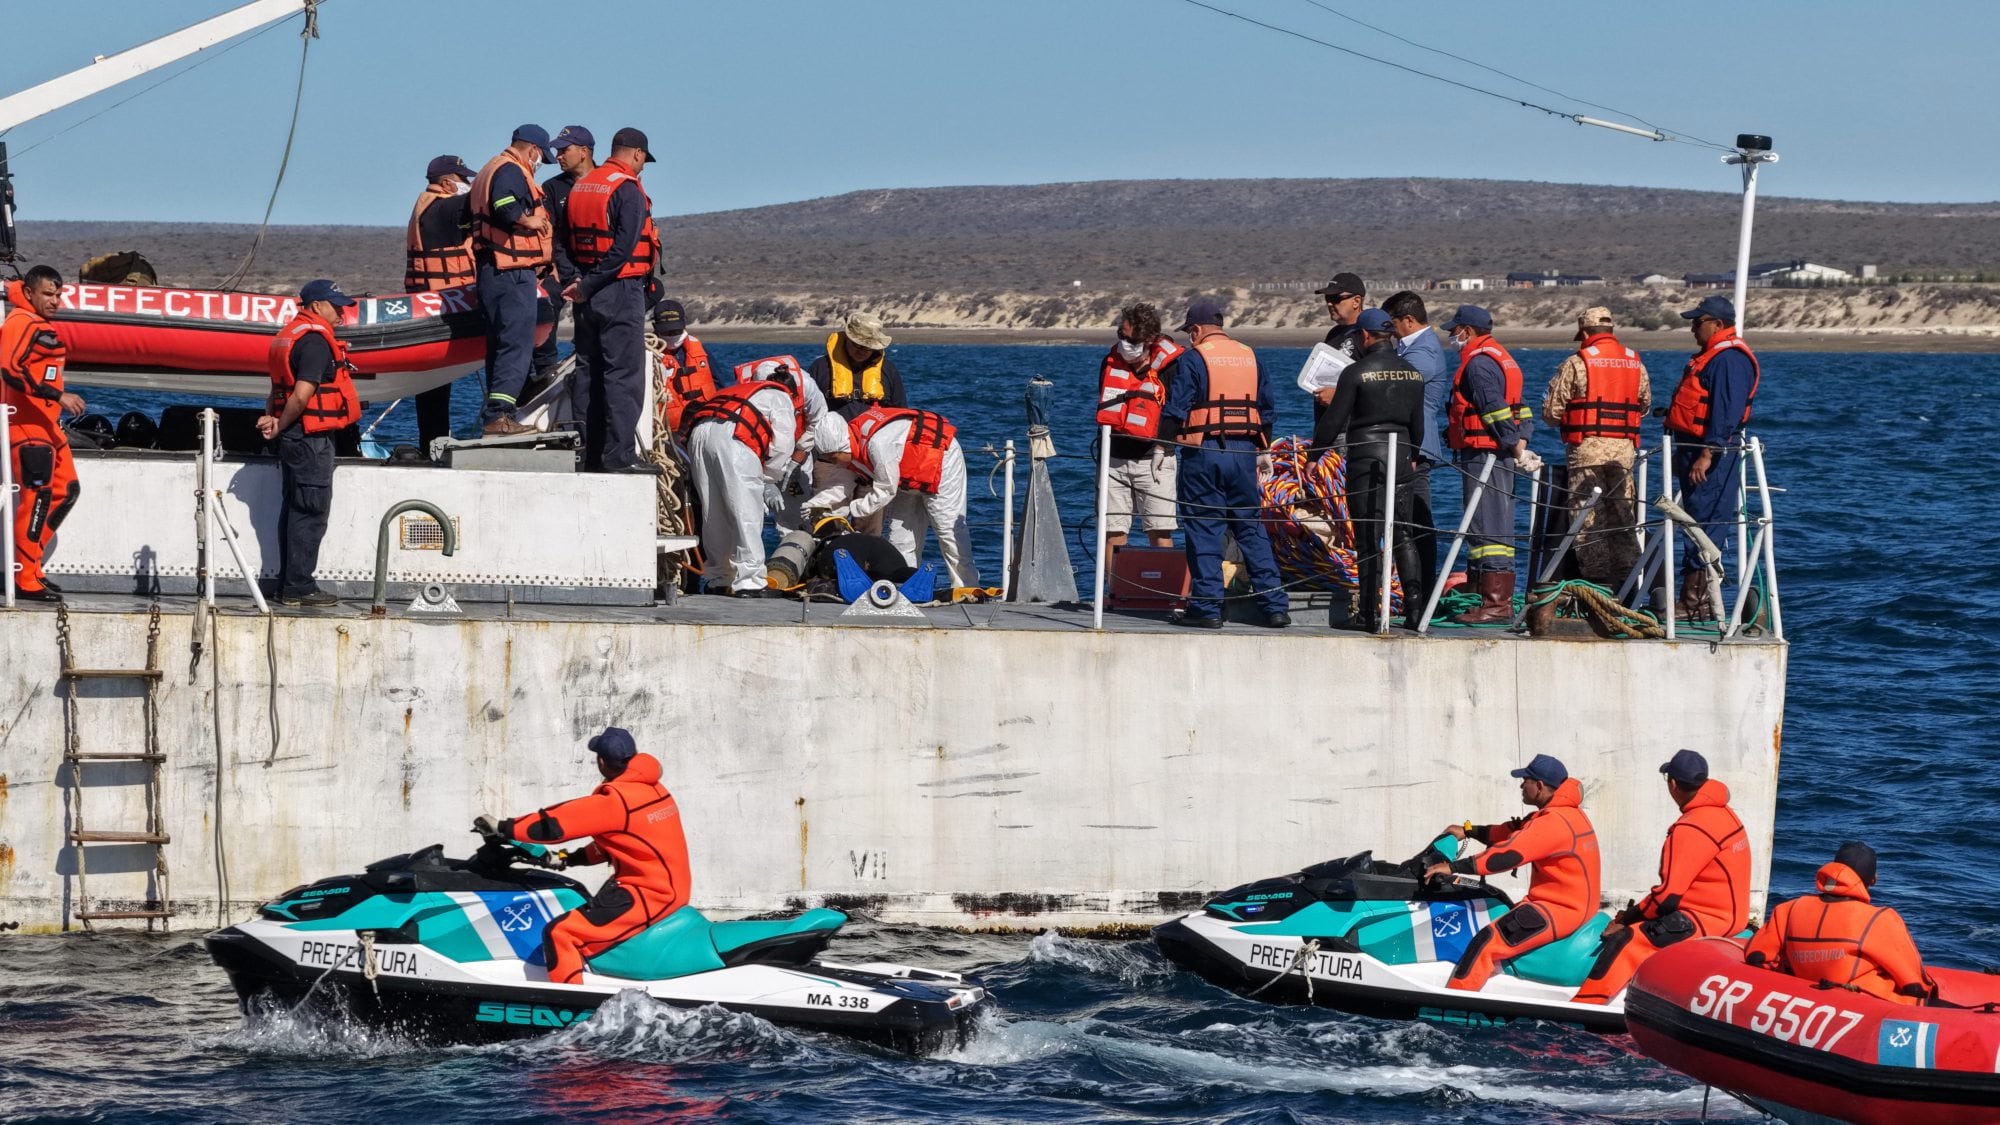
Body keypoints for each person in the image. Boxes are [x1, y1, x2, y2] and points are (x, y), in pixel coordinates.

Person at [487, 727, 690, 986]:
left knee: (561, 933)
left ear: (602, 762)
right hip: (669, 889)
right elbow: (621, 844)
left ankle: (570, 1013)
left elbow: (555, 824)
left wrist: (502, 828)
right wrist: (570, 859)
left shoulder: (617, 799)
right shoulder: (653, 788)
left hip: (650, 895)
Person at [1572, 749, 1750, 1005]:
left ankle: (1587, 1006)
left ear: (1673, 783)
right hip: (1734, 919)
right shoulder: (1726, 815)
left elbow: (1667, 897)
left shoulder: (1690, 827)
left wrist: (1626, 919)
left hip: (1705, 920)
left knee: (1628, 940)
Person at [1160, 296, 1289, 629]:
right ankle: (1275, 607)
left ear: (1199, 329)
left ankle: (1206, 609)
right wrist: (1263, 451)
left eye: (1191, 330)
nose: (1191, 336)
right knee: (1250, 529)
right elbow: (1267, 409)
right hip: (1245, 452)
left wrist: (1162, 448)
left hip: (1204, 454)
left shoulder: (1194, 359)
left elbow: (1175, 409)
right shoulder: (1250, 356)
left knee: (1204, 529)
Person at [1425, 753, 1601, 992]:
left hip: (1559, 909)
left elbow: (1505, 855)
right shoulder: (1561, 812)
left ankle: (1453, 1003)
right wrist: (1467, 830)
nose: (1521, 785)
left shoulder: (1553, 822)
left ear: (1539, 786)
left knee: (1486, 942)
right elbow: (1510, 832)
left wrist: (1453, 867)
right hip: (1571, 905)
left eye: (1525, 780)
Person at [1311, 308, 1426, 629]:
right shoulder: (1413, 373)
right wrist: (1413, 454)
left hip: (1366, 459)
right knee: (1403, 534)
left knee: (1367, 537)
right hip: (1402, 457)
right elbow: (1418, 427)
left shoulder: (1356, 372)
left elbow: (1333, 420)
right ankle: (1414, 611)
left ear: (1364, 336)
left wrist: (1312, 456)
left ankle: (1368, 614)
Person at [562, 127, 663, 472]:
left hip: (584, 294)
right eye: (643, 161)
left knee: (588, 371)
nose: (643, 168)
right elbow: (623, 249)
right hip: (618, 290)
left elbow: (561, 241)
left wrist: (575, 280)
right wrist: (590, 284)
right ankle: (620, 457)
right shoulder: (627, 189)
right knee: (624, 375)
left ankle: (588, 456)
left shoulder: (581, 187)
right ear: (636, 154)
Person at [257, 279, 362, 606]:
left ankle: (287, 582)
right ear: (317, 306)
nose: (342, 314)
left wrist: (275, 421)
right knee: (310, 511)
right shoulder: (315, 342)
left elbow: (277, 390)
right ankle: (299, 586)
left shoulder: (289, 335)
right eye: (337, 306)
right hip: (310, 439)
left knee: (293, 508)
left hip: (294, 437)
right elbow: (301, 396)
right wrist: (281, 425)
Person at [812, 403, 980, 592]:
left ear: (841, 448)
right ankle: (907, 588)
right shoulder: (852, 444)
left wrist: (853, 509)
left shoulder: (878, 445)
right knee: (900, 539)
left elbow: (885, 491)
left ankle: (967, 587)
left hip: (942, 463)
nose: (835, 463)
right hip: (907, 479)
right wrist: (816, 505)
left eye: (834, 458)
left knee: (949, 531)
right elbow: (840, 483)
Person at [1744, 841, 1933, 1006]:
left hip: (1802, 998)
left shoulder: (1788, 909)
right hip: (1862, 1006)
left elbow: (1756, 957)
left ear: (1832, 872)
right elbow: (1916, 986)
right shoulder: (1880, 920)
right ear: (1873, 880)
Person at [1666, 295, 1760, 620]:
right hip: (1692, 452)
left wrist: (1708, 453)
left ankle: (1695, 602)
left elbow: (1726, 412)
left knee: (1706, 522)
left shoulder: (1729, 360)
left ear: (1718, 324)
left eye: (1698, 322)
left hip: (1711, 460)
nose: (1693, 328)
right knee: (1694, 520)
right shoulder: (1712, 358)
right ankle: (1695, 600)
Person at [1541, 307, 1650, 587]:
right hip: (1624, 453)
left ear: (1586, 333)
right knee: (1623, 517)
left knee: (1588, 518)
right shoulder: (1635, 362)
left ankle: (1597, 582)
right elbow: (1644, 405)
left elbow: (1551, 413)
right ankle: (1629, 582)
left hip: (1587, 451)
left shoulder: (1577, 363)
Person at [1441, 305, 1536, 624]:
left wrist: (1512, 444)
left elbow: (1494, 409)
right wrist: (1521, 441)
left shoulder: (1479, 364)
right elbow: (1521, 408)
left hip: (1486, 455)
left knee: (1488, 525)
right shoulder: (1503, 357)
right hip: (1498, 452)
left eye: (1454, 330)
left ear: (1467, 331)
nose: (1452, 336)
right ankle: (1482, 592)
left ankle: (1496, 603)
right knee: (1488, 523)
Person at [1, 266, 85, 602]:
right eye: (48, 294)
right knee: (36, 498)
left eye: (58, 294)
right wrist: (58, 396)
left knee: (68, 491)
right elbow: (9, 369)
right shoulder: (20, 321)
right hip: (25, 426)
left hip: (47, 425)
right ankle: (25, 578)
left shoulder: (39, 324)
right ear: (31, 292)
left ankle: (31, 565)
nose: (55, 300)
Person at [684, 372, 807, 596]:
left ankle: (719, 579)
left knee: (714, 513)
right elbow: (783, 444)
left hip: (700, 435)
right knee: (746, 513)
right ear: (791, 391)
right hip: (733, 440)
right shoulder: (781, 397)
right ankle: (750, 582)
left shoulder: (739, 391)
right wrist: (768, 478)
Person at [468, 124, 555, 436]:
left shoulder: (488, 170)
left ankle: (497, 414)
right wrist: (527, 219)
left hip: (491, 271)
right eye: (540, 159)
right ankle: (500, 415)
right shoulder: (510, 170)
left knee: (500, 347)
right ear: (533, 150)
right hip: (510, 271)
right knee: (516, 346)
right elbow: (505, 205)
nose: (538, 165)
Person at [403, 154, 477, 450]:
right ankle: (433, 443)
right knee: (436, 388)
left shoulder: (426, 208)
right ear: (447, 183)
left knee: (433, 390)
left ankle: (430, 442)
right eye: (463, 179)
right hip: (448, 309)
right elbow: (481, 202)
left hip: (430, 305)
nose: (468, 185)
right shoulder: (447, 207)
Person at [1096, 303, 1181, 551]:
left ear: (1150, 339)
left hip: (1155, 462)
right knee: (1113, 533)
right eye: (1121, 336)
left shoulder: (1170, 367)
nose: (1124, 343)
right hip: (1114, 460)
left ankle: (1161, 587)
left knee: (1159, 531)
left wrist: (1161, 448)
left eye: (1131, 339)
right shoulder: (1109, 362)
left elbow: (1175, 413)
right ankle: (1114, 590)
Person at [1382, 290, 1448, 595]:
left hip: (1416, 448)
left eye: (1391, 324)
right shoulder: (1413, 348)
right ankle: (1412, 589)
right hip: (1409, 445)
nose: (1388, 332)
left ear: (1407, 321)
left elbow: (1397, 384)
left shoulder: (1422, 352)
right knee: (1405, 519)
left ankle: (1421, 591)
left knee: (1416, 521)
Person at [535, 125, 596, 381]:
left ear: (583, 151)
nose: (558, 156)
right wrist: (557, 269)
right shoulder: (551, 187)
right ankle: (544, 372)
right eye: (557, 151)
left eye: (564, 150)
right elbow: (548, 232)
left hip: (598, 269)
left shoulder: (609, 180)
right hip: (561, 267)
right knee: (545, 301)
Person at [809, 313, 905, 420]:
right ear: (847, 339)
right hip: (833, 434)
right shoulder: (820, 367)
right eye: (857, 345)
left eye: (868, 347)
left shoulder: (888, 370)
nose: (861, 351)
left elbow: (901, 412)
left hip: (875, 434)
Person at [650, 299, 719, 439]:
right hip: (668, 434)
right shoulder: (648, 355)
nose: (672, 335)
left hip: (705, 424)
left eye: (676, 330)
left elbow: (721, 384)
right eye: (667, 332)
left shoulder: (700, 350)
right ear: (655, 327)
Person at [1312, 271, 1366, 430]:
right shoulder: (1334, 334)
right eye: (1327, 299)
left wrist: (1338, 396)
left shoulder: (1368, 334)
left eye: (1336, 299)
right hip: (1326, 425)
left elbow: (1377, 385)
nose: (1329, 304)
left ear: (1356, 301)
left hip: (1351, 430)